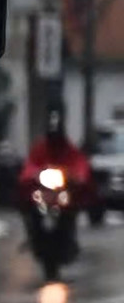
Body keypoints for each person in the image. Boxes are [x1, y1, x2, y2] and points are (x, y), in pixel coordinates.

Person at [17, 103, 94, 255]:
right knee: (26, 205)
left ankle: (70, 239)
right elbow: (30, 164)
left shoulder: (69, 149)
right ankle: (32, 236)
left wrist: (78, 176)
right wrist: (31, 174)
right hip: (43, 192)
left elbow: (79, 163)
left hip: (63, 191)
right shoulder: (40, 148)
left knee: (73, 206)